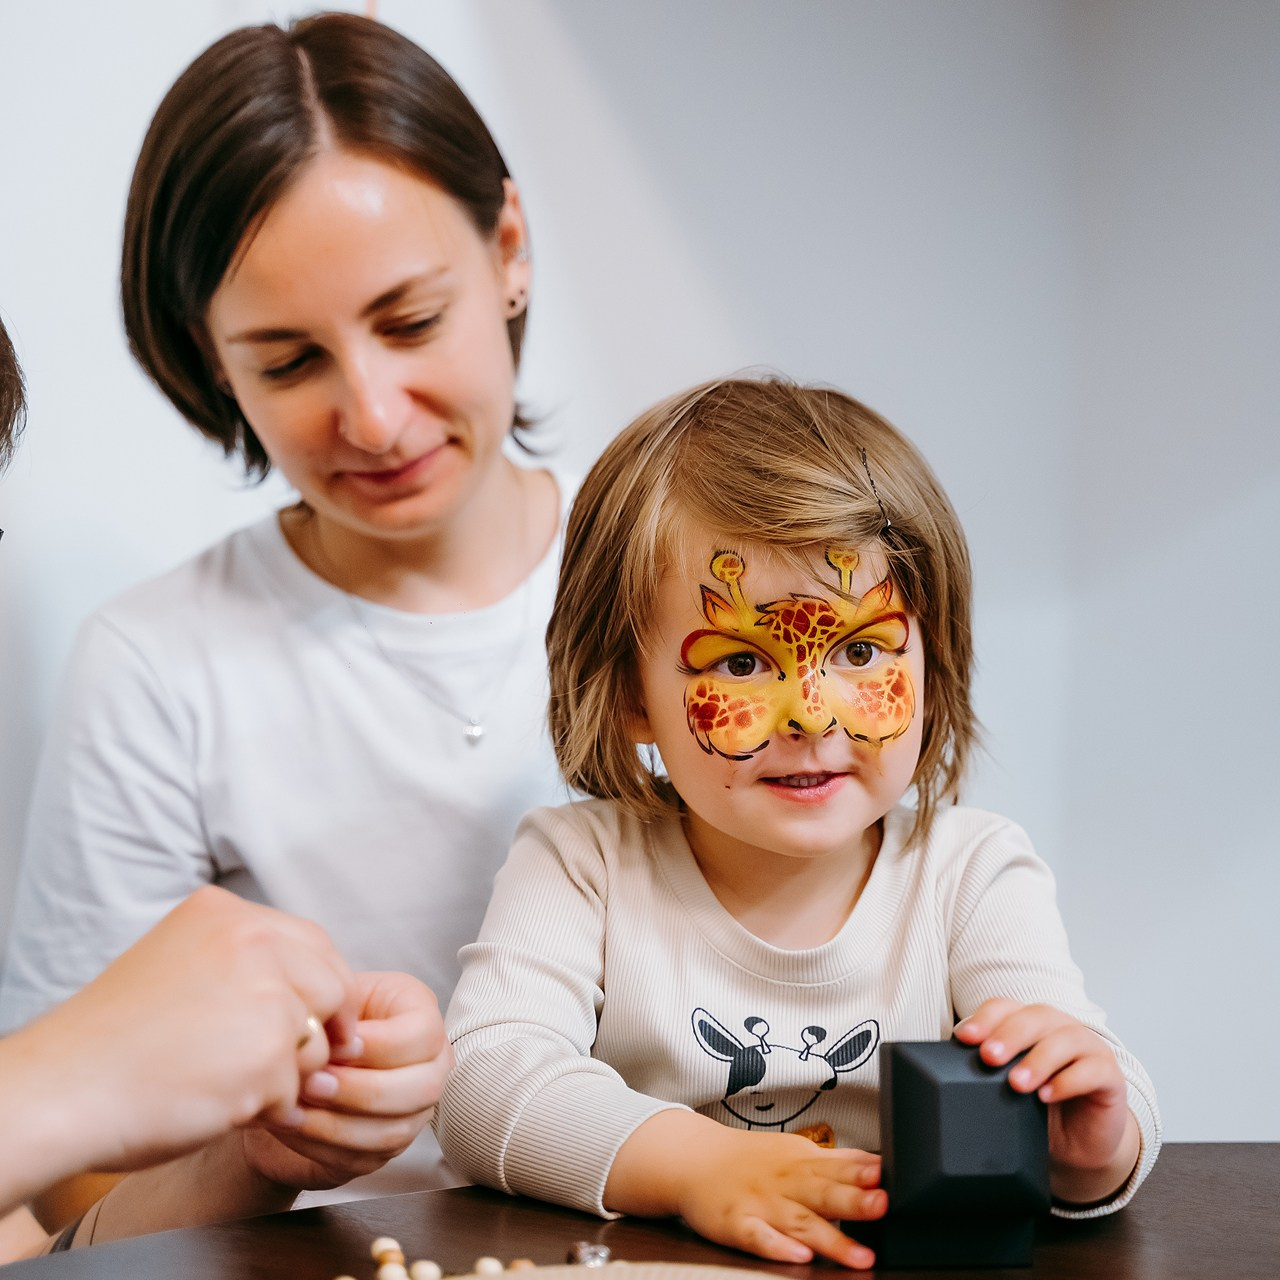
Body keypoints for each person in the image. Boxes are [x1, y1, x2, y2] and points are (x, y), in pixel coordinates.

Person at [0, 10, 571, 1202]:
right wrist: (261, 1153)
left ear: (508, 248)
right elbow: (69, 1175)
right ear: (212, 362)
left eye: (410, 321)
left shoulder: (695, 595)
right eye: (288, 360)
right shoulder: (158, 666)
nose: (370, 415)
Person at [435, 377, 1162, 1269]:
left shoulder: (972, 872)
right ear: (629, 691)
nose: (812, 716)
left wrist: (1091, 1153)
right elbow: (482, 1086)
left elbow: (1094, 1079)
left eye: (861, 651)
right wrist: (701, 1167)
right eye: (742, 659)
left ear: (933, 659)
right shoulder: (582, 864)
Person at [0, 318, 447, 1262]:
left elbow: (30, 1252)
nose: (373, 419)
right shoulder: (152, 655)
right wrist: (74, 1071)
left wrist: (256, 1155)